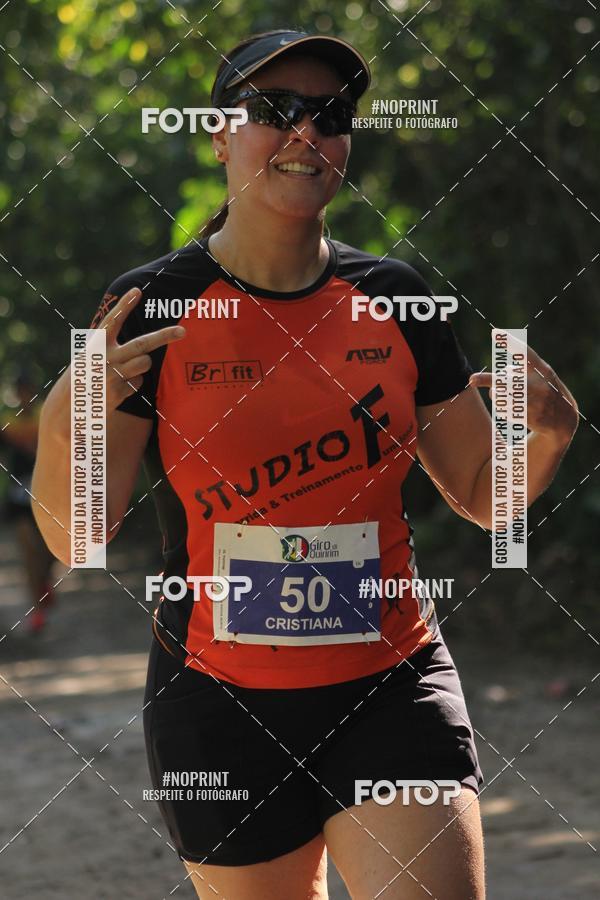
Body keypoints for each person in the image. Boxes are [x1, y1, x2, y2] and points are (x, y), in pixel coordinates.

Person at [32, 29, 579, 900]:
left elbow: (485, 496)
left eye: (330, 114)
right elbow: (77, 539)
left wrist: (544, 440)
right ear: (219, 135)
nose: (305, 132)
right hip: (216, 701)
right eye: (273, 109)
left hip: (391, 683)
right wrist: (67, 425)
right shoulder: (152, 304)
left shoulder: (397, 298)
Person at [0, 372, 56, 632]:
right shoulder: (7, 421)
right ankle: (37, 612)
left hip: (48, 494)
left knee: (48, 553)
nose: (24, 395)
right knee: (28, 554)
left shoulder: (48, 413)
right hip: (18, 497)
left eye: (27, 390)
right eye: (20, 391)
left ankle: (45, 583)